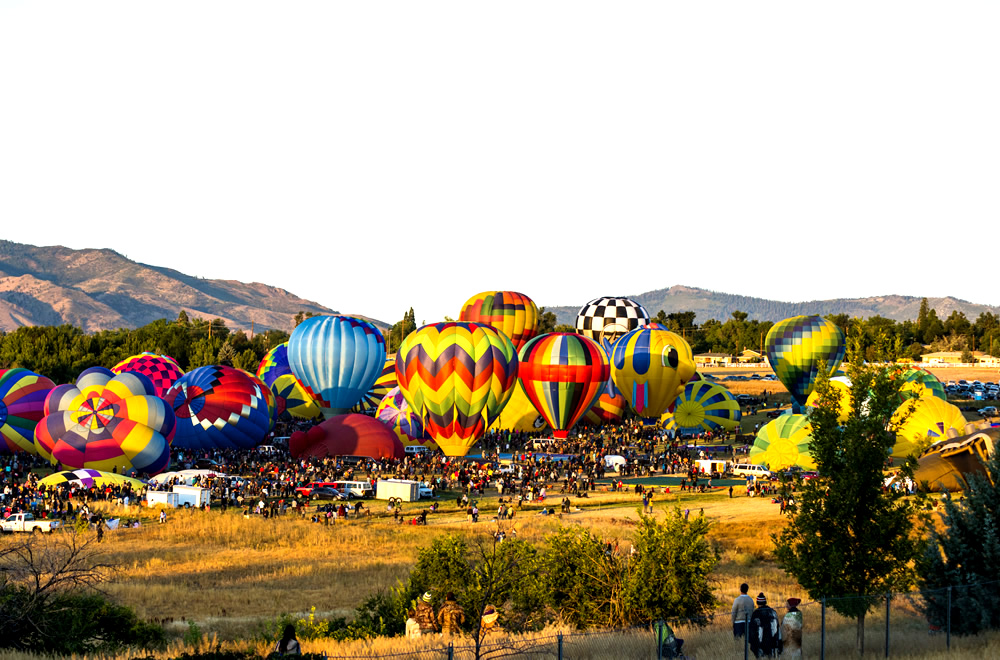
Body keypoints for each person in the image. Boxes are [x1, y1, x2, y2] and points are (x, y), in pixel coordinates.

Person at [748, 592, 781, 658]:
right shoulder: (773, 612)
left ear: (757, 602)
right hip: (772, 642)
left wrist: (752, 641)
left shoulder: (756, 614)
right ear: (765, 602)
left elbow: (752, 630)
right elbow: (777, 628)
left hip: (760, 643)